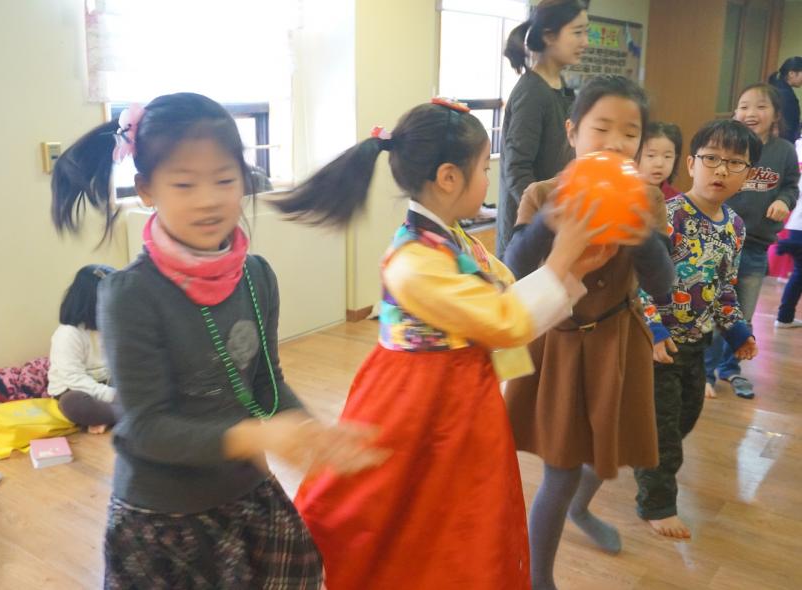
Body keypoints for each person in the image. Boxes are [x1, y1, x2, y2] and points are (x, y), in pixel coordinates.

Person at [50, 92, 386, 589]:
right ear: (146, 190)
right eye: (184, 184)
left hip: (249, 493)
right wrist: (258, 436)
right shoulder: (130, 295)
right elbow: (147, 428)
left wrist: (310, 432)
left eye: (225, 180)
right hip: (165, 518)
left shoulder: (257, 276)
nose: (208, 199)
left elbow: (265, 384)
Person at [276, 98, 614, 590]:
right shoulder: (413, 261)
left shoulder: (454, 240)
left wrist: (570, 270)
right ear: (449, 178)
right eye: (484, 169)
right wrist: (560, 261)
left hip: (459, 399)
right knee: (399, 512)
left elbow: (503, 300)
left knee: (455, 515)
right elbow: (502, 322)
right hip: (415, 404)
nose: (488, 179)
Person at [503, 75, 675, 590]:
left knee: (607, 455)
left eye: (630, 133)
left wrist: (642, 237)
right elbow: (514, 268)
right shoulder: (541, 194)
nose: (616, 143)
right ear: (573, 131)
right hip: (557, 342)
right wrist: (548, 222)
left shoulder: (647, 199)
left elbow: (663, 285)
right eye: (602, 128)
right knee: (559, 471)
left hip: (616, 342)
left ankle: (581, 509)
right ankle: (539, 580)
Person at [636, 119, 760, 539]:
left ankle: (640, 457)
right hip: (657, 345)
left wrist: (738, 330)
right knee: (664, 432)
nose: (721, 170)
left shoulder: (735, 227)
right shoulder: (667, 216)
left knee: (684, 418)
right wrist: (652, 329)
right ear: (691, 164)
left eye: (735, 163)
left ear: (748, 174)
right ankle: (657, 504)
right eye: (711, 159)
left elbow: (724, 287)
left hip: (697, 344)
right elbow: (638, 281)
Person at [705, 82, 800, 398]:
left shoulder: (784, 150)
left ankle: (731, 369)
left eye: (760, 106)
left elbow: (791, 186)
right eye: (744, 106)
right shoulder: (728, 145)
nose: (751, 113)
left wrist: (784, 200)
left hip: (756, 245)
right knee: (714, 312)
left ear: (775, 115)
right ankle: (705, 373)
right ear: (735, 112)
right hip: (720, 242)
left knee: (742, 315)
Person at [497, 0, 590, 253]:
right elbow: (517, 170)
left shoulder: (562, 88)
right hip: (530, 235)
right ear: (549, 36)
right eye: (577, 32)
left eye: (586, 32)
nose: (585, 42)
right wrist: (548, 217)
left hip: (553, 228)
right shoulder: (532, 92)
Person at [48, 264, 117, 433]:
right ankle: (128, 415)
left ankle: (110, 417)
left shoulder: (113, 326)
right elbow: (74, 378)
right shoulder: (68, 334)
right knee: (72, 403)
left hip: (108, 384)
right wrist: (113, 396)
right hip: (76, 389)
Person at [638, 121, 683, 200]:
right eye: (651, 155)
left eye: (667, 157)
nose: (659, 164)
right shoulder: (622, 193)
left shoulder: (678, 200)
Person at [775, 201, 802, 328]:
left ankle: (785, 318)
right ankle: (784, 318)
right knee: (799, 275)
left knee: (799, 275)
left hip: (796, 226)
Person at [768, 56, 802, 143]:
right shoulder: (785, 94)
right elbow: (788, 124)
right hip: (782, 141)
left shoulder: (777, 86)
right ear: (791, 73)